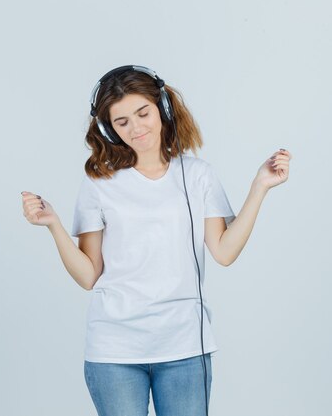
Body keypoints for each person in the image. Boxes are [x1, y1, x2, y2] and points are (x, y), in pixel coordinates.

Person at [21, 65, 292, 416]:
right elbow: (89, 275)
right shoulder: (98, 183)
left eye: (142, 113)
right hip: (115, 351)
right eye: (122, 122)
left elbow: (223, 252)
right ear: (108, 129)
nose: (136, 128)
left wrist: (260, 187)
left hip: (184, 348)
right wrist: (54, 225)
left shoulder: (198, 175)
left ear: (162, 107)